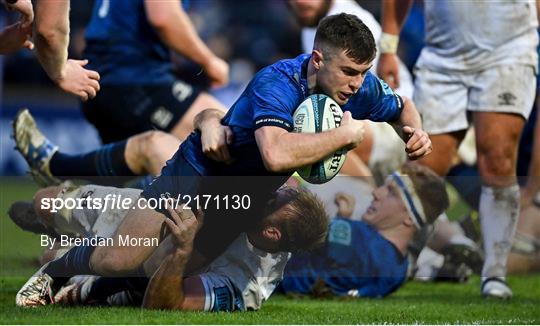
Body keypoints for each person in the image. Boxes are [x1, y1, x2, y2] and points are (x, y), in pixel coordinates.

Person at [15, 13, 432, 307]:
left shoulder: (357, 86)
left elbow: (401, 106)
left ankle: (85, 296)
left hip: (245, 200)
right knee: (118, 258)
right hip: (199, 174)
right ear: (318, 60)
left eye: (363, 72)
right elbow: (274, 153)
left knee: (166, 269)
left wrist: (413, 133)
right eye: (349, 72)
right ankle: (54, 274)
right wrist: (345, 134)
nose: (357, 84)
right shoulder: (278, 83)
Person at [377, 0, 539, 298]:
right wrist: (388, 47)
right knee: (422, 165)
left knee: (498, 160)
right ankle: (402, 260)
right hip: (443, 55)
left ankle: (494, 274)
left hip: (508, 51)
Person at [13, 183, 328, 310]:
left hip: (146, 263)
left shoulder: (244, 285)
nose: (267, 193)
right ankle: (55, 229)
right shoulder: (262, 191)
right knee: (45, 202)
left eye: (272, 199)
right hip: (152, 209)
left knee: (53, 256)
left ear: (271, 233)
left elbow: (166, 303)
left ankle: (75, 251)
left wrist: (181, 250)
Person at [280, 163, 449, 298]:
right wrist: (343, 219)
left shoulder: (361, 240)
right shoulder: (399, 268)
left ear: (410, 218)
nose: (377, 192)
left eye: (391, 192)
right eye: (384, 186)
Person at [288, 0, 412, 177]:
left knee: (320, 130)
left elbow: (390, 95)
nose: (300, 2)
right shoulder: (312, 25)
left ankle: (367, 196)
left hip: (392, 129)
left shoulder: (349, 23)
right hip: (359, 120)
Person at [81, 0, 229, 144]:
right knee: (231, 134)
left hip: (97, 79)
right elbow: (163, 17)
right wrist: (209, 62)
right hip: (136, 79)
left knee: (148, 164)